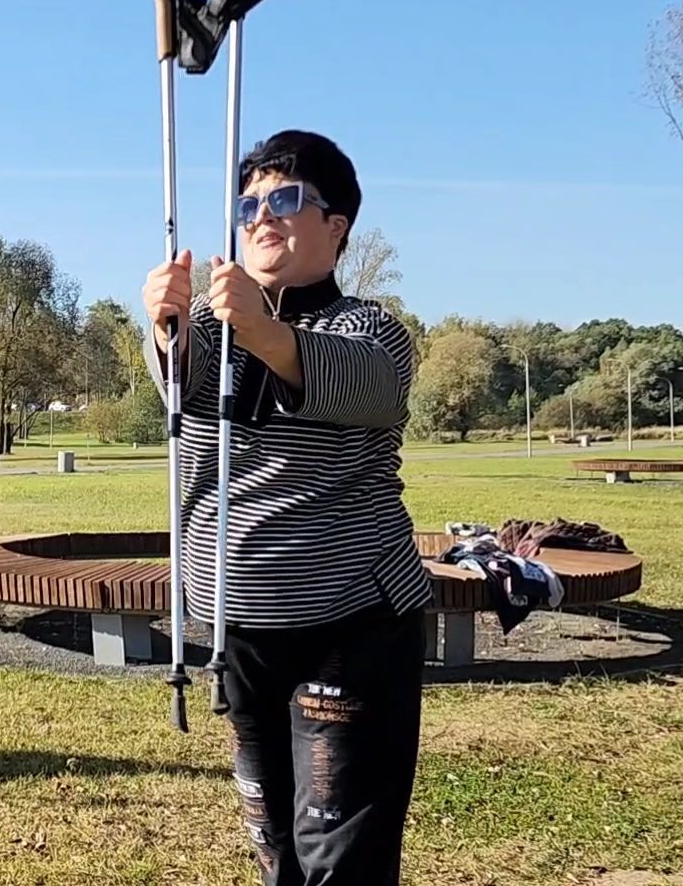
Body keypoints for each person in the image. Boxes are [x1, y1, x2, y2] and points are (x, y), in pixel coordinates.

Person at [141, 130, 427, 885]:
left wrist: (262, 331)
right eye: (249, 204)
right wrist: (165, 324)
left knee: (340, 852)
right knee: (273, 847)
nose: (263, 215)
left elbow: (368, 387)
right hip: (241, 627)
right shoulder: (214, 328)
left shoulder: (371, 329)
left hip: (352, 626)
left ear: (336, 227)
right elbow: (184, 385)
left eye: (288, 198)